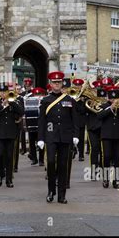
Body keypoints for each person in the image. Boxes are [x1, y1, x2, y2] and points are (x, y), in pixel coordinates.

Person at [38, 72, 79, 204]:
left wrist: (76, 135)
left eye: (59, 82)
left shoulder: (70, 100)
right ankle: (51, 191)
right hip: (51, 136)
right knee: (50, 162)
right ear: (50, 84)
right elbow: (42, 121)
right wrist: (40, 138)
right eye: (54, 82)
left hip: (65, 137)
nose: (57, 84)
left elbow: (75, 120)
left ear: (62, 83)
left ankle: (62, 195)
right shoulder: (45, 101)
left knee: (63, 166)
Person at [0, 83, 24, 188]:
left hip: (10, 133)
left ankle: (9, 179)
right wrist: (2, 105)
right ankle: (0, 175)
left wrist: (11, 103)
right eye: (0, 92)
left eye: (4, 92)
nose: (3, 94)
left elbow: (21, 111)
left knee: (10, 156)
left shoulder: (15, 101)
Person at [97, 87, 119, 189]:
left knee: (117, 159)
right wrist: (111, 107)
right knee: (106, 157)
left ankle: (116, 181)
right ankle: (106, 179)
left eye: (116, 99)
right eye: (112, 99)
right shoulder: (103, 106)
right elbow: (99, 116)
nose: (114, 101)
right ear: (108, 99)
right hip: (106, 136)